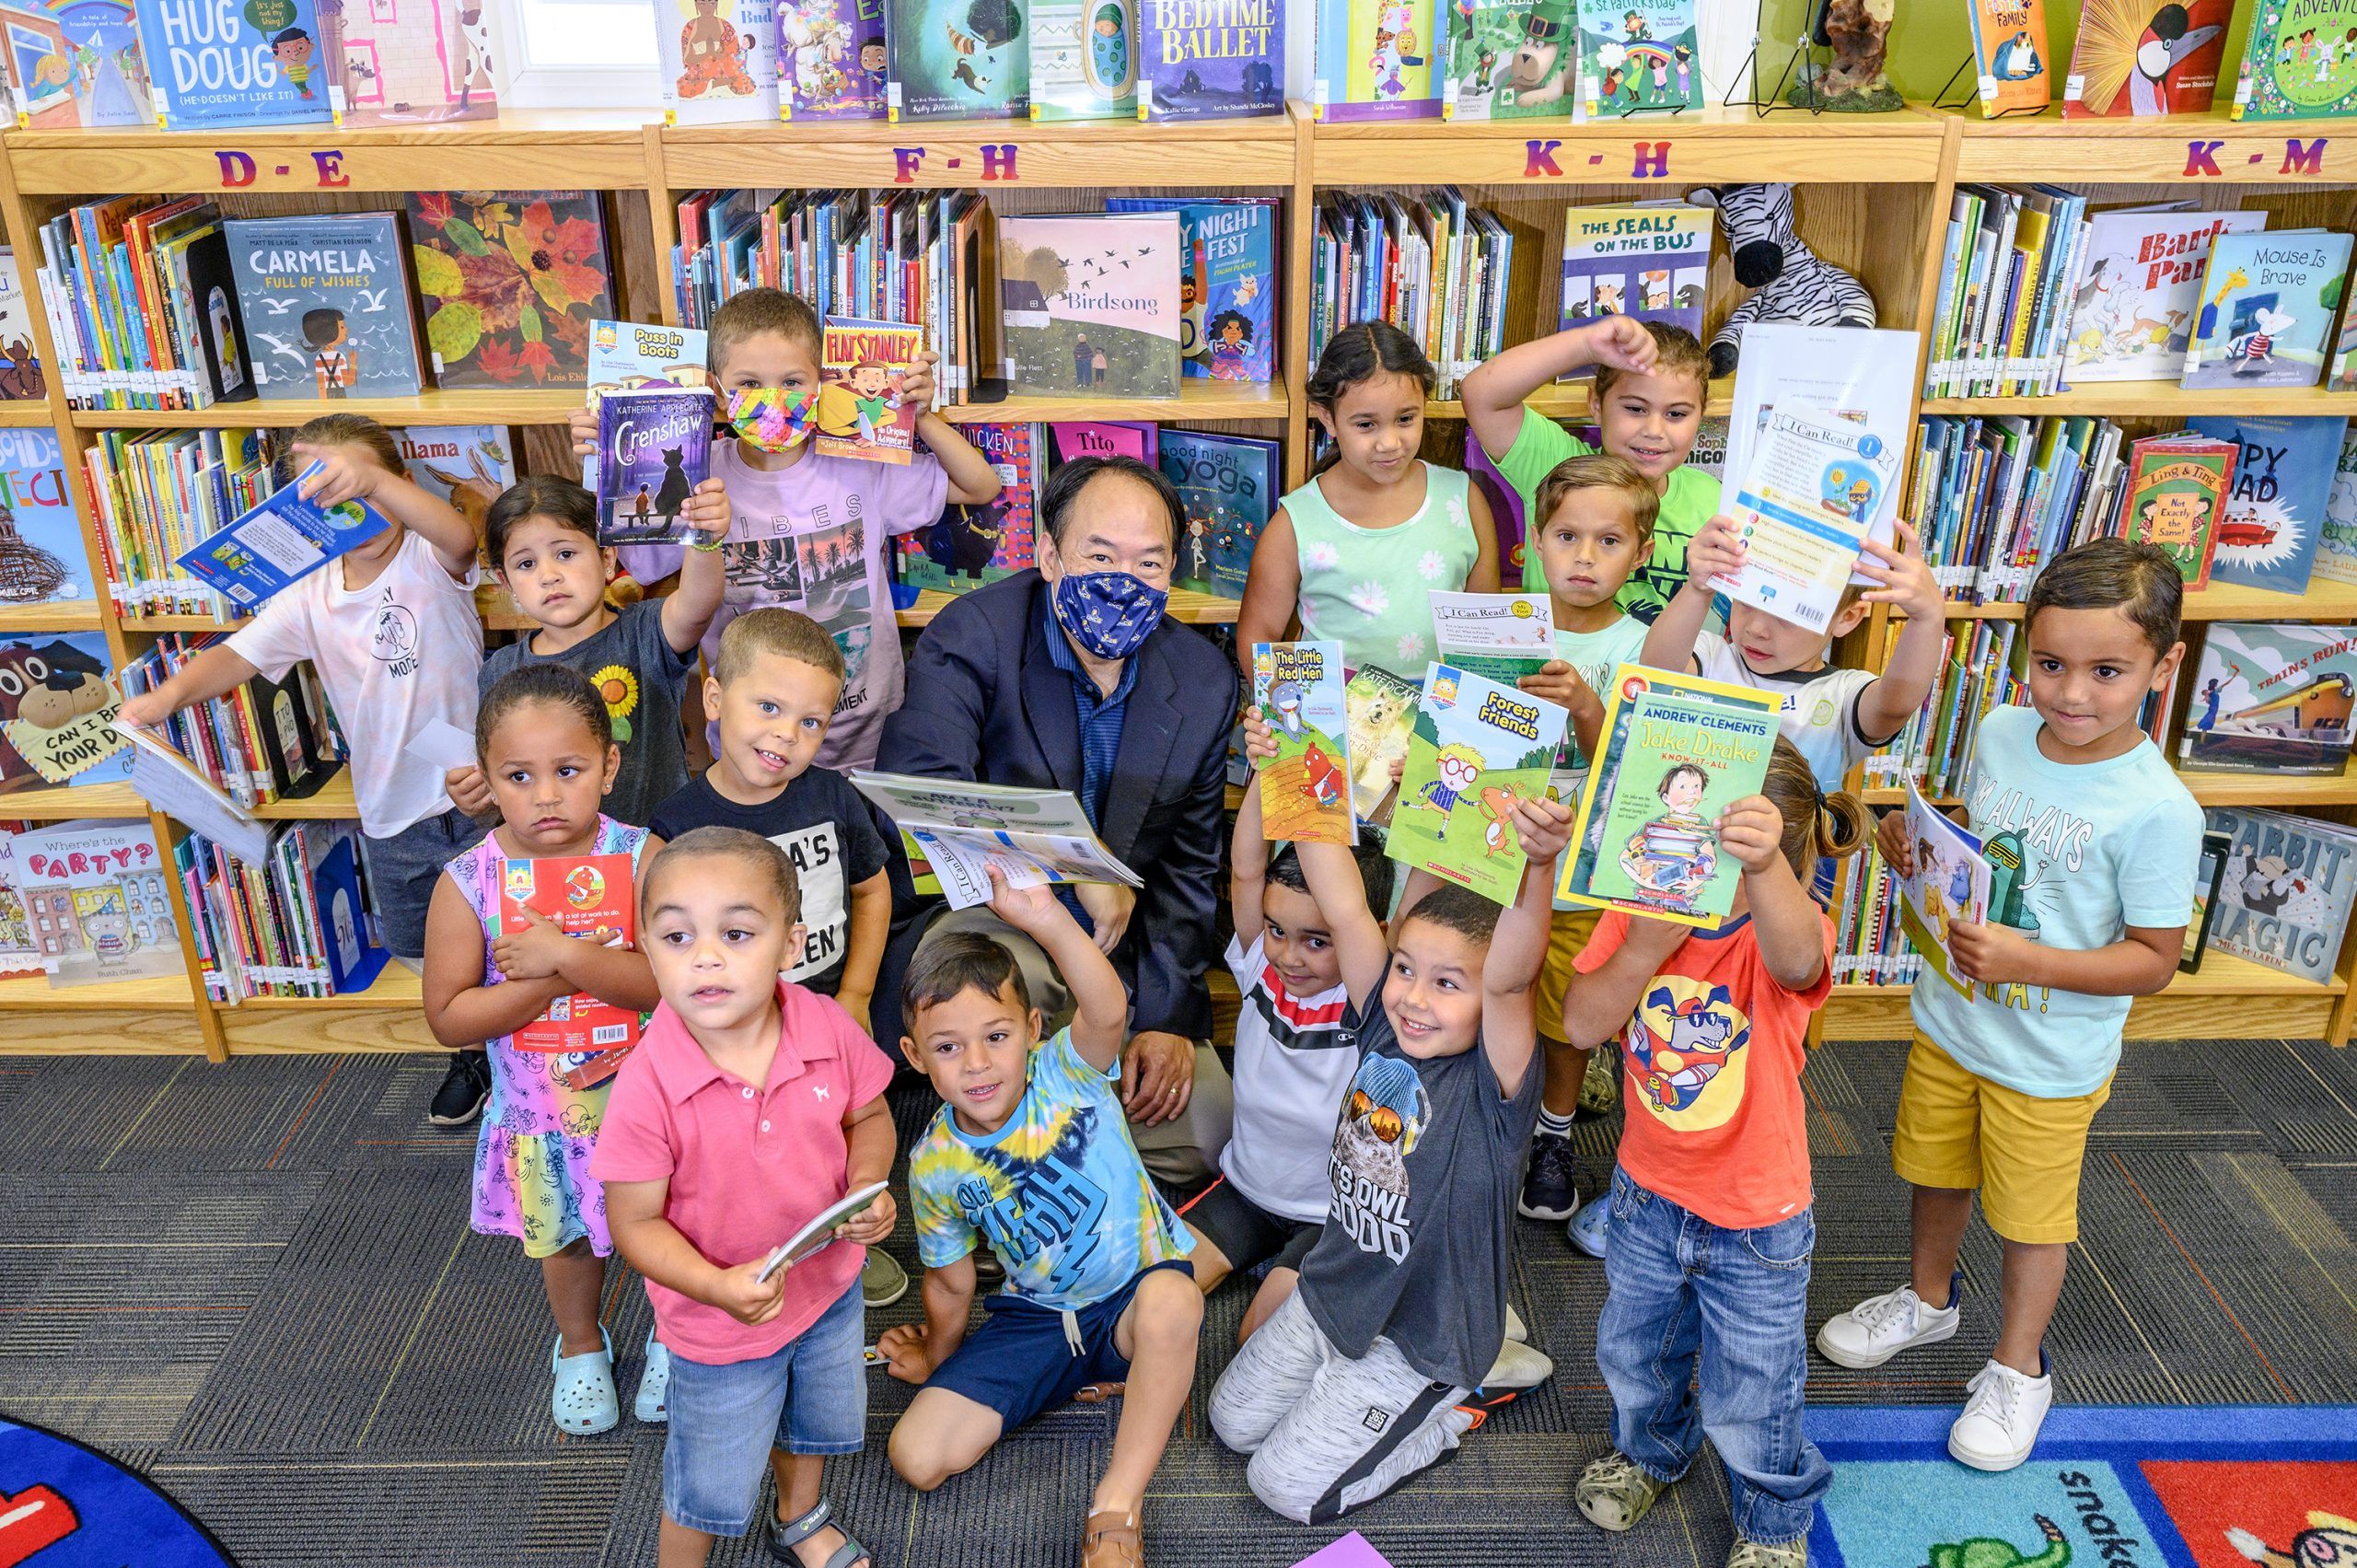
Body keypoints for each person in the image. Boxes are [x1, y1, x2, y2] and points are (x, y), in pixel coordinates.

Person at [1817, 539, 2201, 1471]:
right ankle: (1926, 1299)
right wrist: (1916, 840)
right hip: (1955, 1021)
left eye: (2106, 670)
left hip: (2048, 1057)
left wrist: (2029, 955)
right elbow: (1975, 836)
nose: (2070, 692)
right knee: (1933, 1168)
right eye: (2049, 663)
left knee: (2031, 1216)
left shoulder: (2158, 808)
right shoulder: (1996, 729)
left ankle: (2017, 1365)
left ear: (2164, 665)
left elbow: (2152, 961)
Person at [1209, 706, 1572, 1524]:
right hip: (1337, 1288)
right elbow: (1341, 901)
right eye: (1406, 968)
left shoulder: (1495, 1084)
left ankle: (1449, 1416)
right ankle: (1354, 1403)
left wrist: (1537, 866)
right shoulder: (1382, 1018)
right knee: (1231, 1425)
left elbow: (1512, 976)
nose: (1411, 995)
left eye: (1448, 984)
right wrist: (1289, 762)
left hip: (1423, 1337)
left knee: (1284, 1487)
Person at [115, 413, 491, 1128]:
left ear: (401, 486)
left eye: (370, 491)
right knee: (421, 946)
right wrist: (164, 697)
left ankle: (518, 1049)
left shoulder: (425, 560)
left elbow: (460, 535)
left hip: (477, 800)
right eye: (331, 496)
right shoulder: (310, 591)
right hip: (390, 809)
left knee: (500, 930)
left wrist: (375, 479)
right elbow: (237, 655)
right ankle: (473, 1046)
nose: (357, 510)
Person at [876, 455, 1239, 1187]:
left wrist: (1168, 1018)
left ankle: (1041, 1154)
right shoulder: (972, 634)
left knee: (1204, 1126)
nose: (1122, 580)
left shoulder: (1203, 681)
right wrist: (1076, 866)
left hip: (1120, 955)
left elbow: (1191, 868)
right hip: (993, 917)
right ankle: (993, 1182)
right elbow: (925, 797)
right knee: (1013, 999)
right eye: (1099, 555)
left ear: (1174, 570)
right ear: (1048, 555)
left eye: (1149, 562)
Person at [1559, 737, 1866, 1566]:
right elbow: (1583, 1024)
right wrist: (1643, 945)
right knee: (1636, 1348)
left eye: (1735, 858)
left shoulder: (1783, 935)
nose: (1703, 876)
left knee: (1755, 1387)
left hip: (1757, 1217)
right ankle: (1651, 1451)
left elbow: (1799, 956)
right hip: (1648, 1195)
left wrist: (1765, 872)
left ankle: (1772, 1520)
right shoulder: (1640, 916)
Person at [882, 873, 1204, 1568]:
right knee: (916, 1456)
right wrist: (940, 1356)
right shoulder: (935, 1160)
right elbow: (948, 1280)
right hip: (1038, 1319)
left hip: (1133, 1295)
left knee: (1176, 1300)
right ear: (915, 1057)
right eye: (947, 1047)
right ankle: (1106, 1378)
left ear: (1031, 1030)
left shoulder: (1069, 1069)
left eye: (995, 1035)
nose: (976, 1064)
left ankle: (1116, 1503)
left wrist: (1047, 918)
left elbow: (1108, 1005)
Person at [596, 828, 897, 1568]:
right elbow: (632, 1223)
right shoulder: (646, 1085)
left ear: (790, 943)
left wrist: (867, 1184)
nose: (704, 955)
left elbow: (872, 1117)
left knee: (814, 1423)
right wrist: (714, 1286)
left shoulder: (824, 1023)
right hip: (718, 1323)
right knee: (709, 1475)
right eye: (676, 934)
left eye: (736, 932)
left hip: (829, 1289)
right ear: (646, 946)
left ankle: (800, 1517)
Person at [598, 287, 1001, 772]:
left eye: (792, 380)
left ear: (822, 383)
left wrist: (921, 415)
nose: (772, 399)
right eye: (748, 382)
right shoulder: (699, 476)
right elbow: (639, 561)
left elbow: (979, 487)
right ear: (716, 389)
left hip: (871, 735)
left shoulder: (858, 463)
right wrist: (607, 457)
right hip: (755, 750)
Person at [418, 665, 664, 1436]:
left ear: (609, 766)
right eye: (519, 776)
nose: (547, 795)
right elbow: (450, 1017)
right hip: (544, 1113)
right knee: (566, 1237)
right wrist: (546, 981)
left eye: (569, 770)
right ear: (487, 780)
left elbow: (670, 979)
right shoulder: (471, 881)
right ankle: (581, 1343)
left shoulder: (643, 857)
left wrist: (569, 957)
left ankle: (677, 1337)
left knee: (672, 1228)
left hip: (653, 1107)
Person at [644, 610, 899, 1309]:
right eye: (768, 708)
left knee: (835, 1133)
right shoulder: (680, 825)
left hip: (821, 1014)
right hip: (728, 1031)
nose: (787, 735)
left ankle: (841, 1246)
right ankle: (722, 1268)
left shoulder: (832, 795)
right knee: (748, 1157)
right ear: (717, 699)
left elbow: (871, 892)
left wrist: (854, 994)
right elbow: (657, 942)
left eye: (811, 722)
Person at [1509, 454, 1656, 1234]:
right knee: (1495, 1000)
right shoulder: (1507, 625)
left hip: (1580, 881)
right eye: (1567, 535)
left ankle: (1555, 1134)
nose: (1585, 557)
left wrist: (1589, 707)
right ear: (1536, 541)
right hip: (1497, 864)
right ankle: (1491, 1129)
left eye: (1609, 541)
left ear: (1640, 553)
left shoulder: (1644, 645)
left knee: (1566, 1020)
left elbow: (1642, 774)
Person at [447, 475, 728, 830]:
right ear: (506, 583)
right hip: (558, 865)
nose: (549, 575)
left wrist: (705, 539)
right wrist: (480, 794)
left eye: (565, 554)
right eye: (526, 564)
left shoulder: (645, 633)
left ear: (607, 558)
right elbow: (503, 774)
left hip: (659, 854)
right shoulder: (500, 669)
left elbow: (698, 604)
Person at [1236, 321, 1499, 681]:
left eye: (1405, 419)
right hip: (1336, 723)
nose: (1389, 442)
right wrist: (1294, 713)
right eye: (1365, 425)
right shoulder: (1296, 522)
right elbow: (1258, 638)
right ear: (1326, 417)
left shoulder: (1463, 499)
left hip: (1443, 720)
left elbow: (1488, 635)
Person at [1641, 512, 1946, 796]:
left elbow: (1896, 704)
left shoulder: (1842, 695)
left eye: (1789, 616)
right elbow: (1657, 672)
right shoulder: (1710, 656)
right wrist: (1698, 588)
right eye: (1746, 601)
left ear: (1847, 618)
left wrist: (1927, 620)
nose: (1757, 629)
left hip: (1793, 853)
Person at [1460, 316, 1713, 620]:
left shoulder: (1715, 500)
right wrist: (1585, 345)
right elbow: (1481, 395)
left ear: (1701, 416)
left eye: (1676, 414)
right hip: (1553, 665)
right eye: (1635, 408)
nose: (1654, 430)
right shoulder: (1558, 468)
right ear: (1596, 404)